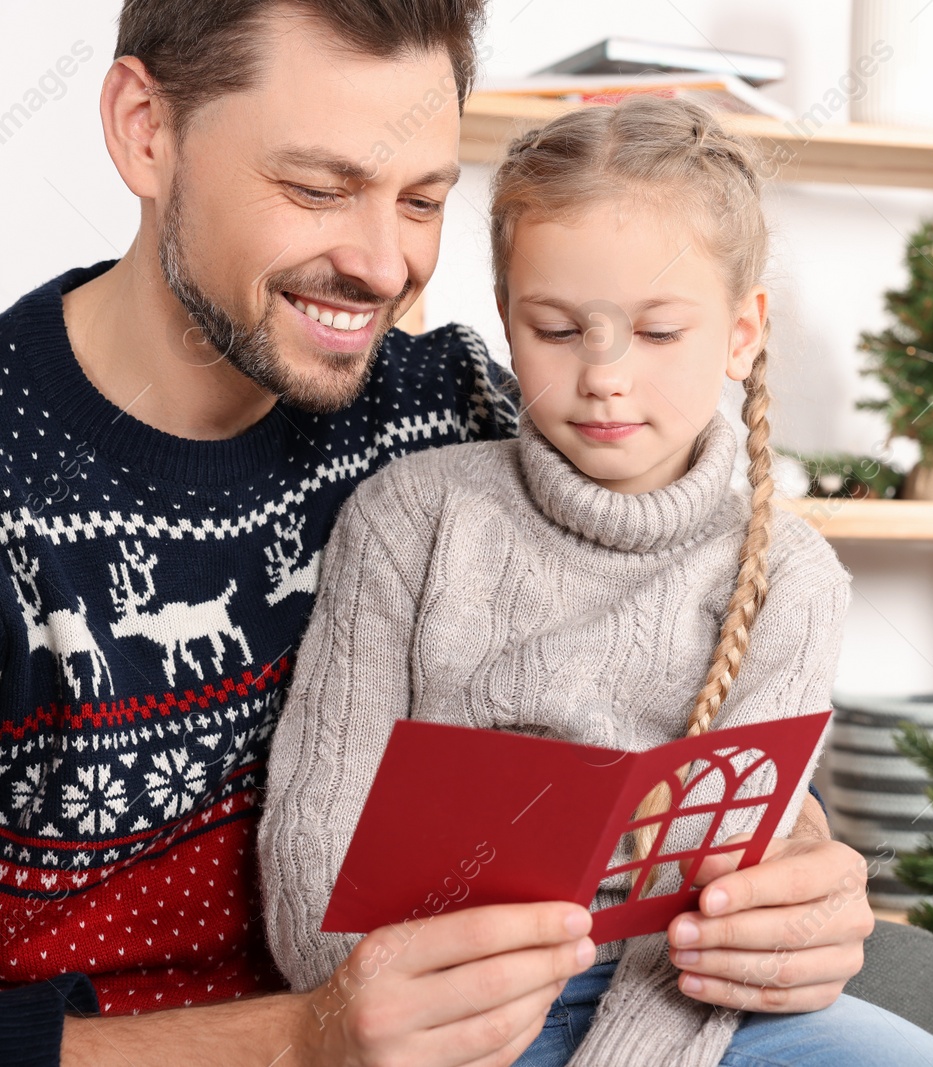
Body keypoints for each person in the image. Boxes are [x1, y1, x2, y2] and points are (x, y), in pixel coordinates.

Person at [0, 4, 878, 1064]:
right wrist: (304, 1034)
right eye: (317, 187)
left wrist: (802, 872)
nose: (380, 267)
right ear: (146, 127)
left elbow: (665, 649)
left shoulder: (454, 407)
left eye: (420, 200)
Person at [258, 95, 933, 1067]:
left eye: (656, 332)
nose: (602, 374)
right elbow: (316, 838)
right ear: (508, 324)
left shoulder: (790, 578)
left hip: (690, 1011)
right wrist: (368, 1013)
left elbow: (721, 905)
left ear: (740, 331)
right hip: (441, 1006)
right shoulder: (409, 519)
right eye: (556, 329)